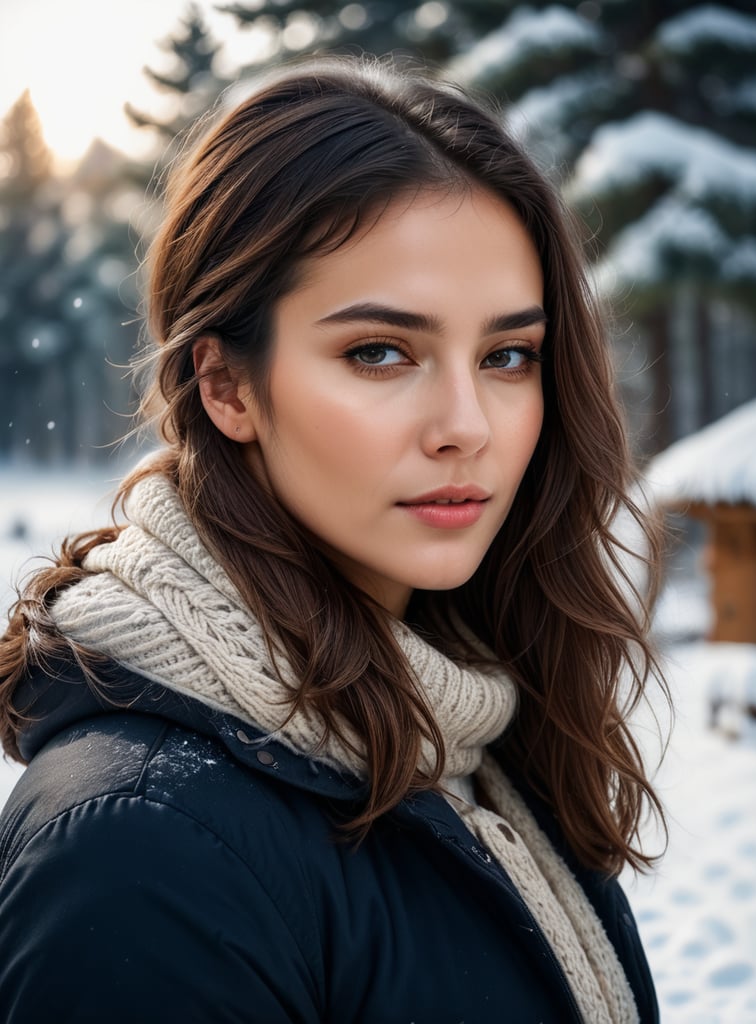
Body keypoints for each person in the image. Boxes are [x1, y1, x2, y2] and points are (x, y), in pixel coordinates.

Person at [0, 55, 666, 1023]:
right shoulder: (138, 854)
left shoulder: (477, 720)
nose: (466, 424)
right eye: (381, 352)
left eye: (508, 355)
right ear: (227, 387)